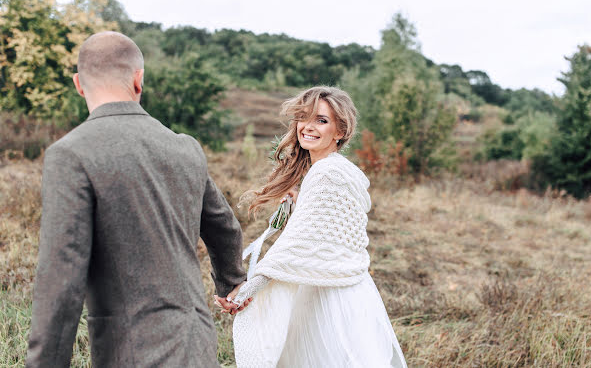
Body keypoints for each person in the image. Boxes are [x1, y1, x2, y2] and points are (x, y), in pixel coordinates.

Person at [26, 31, 249, 367]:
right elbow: (225, 227)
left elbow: (61, 284)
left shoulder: (71, 154)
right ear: (138, 79)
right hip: (198, 345)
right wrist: (231, 282)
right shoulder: (184, 147)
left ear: (79, 84)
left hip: (132, 353)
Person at [230, 86, 407, 367]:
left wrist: (250, 288)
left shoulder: (327, 173)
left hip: (331, 298)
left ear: (340, 132)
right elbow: (321, 231)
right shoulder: (333, 170)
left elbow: (299, 244)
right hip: (339, 285)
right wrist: (301, 205)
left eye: (321, 121)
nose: (308, 127)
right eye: (304, 118)